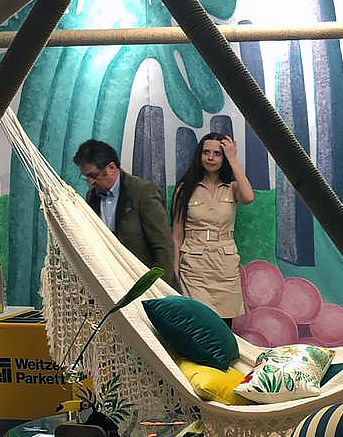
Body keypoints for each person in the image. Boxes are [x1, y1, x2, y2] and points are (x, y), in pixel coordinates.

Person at [169, 133, 254, 324]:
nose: (210, 158)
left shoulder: (232, 188)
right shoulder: (185, 189)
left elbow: (248, 198)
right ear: (199, 155)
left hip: (225, 268)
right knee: (197, 324)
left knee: (223, 327)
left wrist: (233, 159)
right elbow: (177, 235)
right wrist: (174, 273)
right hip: (194, 268)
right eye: (206, 152)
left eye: (217, 154)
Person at [75, 139, 177, 289]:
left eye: (93, 175)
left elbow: (164, 246)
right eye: (85, 177)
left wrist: (158, 289)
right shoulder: (92, 197)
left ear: (111, 167)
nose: (90, 182)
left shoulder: (143, 192)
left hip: (145, 284)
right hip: (112, 285)